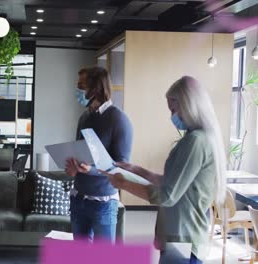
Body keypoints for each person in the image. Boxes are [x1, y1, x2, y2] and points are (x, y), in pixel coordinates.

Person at [104, 76, 226, 264]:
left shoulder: (196, 141)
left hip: (183, 239)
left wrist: (123, 184)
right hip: (181, 236)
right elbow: (172, 182)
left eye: (173, 109)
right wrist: (136, 169)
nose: (172, 116)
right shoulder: (201, 138)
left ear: (188, 104)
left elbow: (168, 195)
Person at [65, 66, 133, 243]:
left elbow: (122, 167)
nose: (77, 89)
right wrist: (74, 169)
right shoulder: (84, 118)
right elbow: (78, 152)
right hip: (78, 199)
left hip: (103, 202)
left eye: (81, 85)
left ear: (95, 88)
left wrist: (91, 170)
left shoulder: (119, 119)